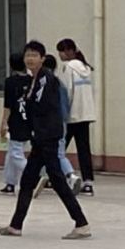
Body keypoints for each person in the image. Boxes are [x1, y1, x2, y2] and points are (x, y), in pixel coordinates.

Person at [0, 41, 90, 239]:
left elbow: (41, 108)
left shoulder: (46, 80)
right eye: (27, 55)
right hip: (40, 137)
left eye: (34, 55)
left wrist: (33, 126)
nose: (30, 59)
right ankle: (16, 225)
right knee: (28, 180)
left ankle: (81, 223)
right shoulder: (35, 79)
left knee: (57, 180)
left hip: (47, 136)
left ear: (42, 58)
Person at [32, 55, 83, 199]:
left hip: (51, 124)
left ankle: (70, 175)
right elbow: (66, 104)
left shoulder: (46, 84)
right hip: (62, 122)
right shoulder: (59, 83)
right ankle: (47, 178)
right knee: (50, 154)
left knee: (57, 154)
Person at [55, 38, 96, 196]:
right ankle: (88, 182)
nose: (60, 55)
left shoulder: (68, 67)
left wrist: (63, 113)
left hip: (71, 114)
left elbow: (66, 92)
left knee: (58, 148)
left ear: (69, 51)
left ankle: (53, 176)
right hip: (85, 114)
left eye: (61, 51)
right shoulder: (85, 68)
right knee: (84, 149)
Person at [0, 52, 30, 195]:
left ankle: (34, 174)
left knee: (16, 153)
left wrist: (3, 123)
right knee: (11, 153)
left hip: (16, 121)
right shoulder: (31, 80)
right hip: (28, 120)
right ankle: (10, 183)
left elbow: (8, 105)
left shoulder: (10, 82)